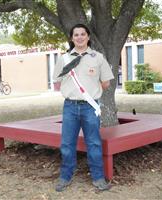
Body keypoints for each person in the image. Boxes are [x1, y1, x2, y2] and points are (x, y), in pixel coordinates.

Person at [53, 23, 114, 192]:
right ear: (72, 39)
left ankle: (98, 178)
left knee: (94, 143)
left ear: (88, 37)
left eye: (82, 34)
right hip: (70, 107)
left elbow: (106, 83)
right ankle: (65, 177)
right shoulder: (63, 59)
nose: (79, 37)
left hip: (90, 107)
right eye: (76, 35)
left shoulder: (98, 57)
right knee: (67, 143)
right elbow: (57, 84)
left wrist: (91, 93)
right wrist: (71, 92)